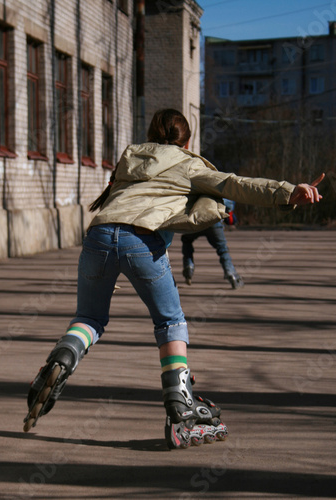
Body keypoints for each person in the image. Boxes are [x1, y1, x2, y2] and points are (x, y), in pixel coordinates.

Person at [23, 109, 324, 449]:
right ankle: (180, 408)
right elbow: (234, 184)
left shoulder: (131, 157)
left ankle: (63, 356)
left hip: (98, 236)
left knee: (90, 317)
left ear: (151, 132)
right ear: (187, 140)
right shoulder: (188, 164)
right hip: (142, 240)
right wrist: (287, 191)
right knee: (170, 322)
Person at [181, 216, 244, 289]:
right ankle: (231, 273)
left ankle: (189, 267)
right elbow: (228, 207)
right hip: (213, 222)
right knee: (222, 248)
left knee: (186, 240)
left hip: (194, 222)